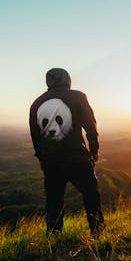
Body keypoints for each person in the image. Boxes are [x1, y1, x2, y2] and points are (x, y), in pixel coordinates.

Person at [29, 68, 104, 237]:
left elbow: (35, 135)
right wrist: (94, 151)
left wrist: (41, 157)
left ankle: (54, 238)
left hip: (51, 161)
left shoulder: (36, 103)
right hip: (77, 156)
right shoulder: (78, 97)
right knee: (91, 194)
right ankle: (97, 233)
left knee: (54, 201)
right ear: (67, 79)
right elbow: (91, 126)